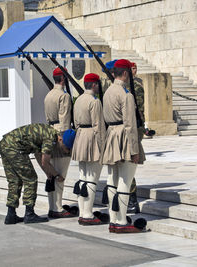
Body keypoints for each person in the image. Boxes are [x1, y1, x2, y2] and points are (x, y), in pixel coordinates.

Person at [101, 59, 146, 233]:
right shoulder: (126, 94)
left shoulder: (107, 92)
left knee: (112, 180)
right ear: (126, 73)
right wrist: (134, 150)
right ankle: (121, 220)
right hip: (124, 137)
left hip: (111, 135)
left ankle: (113, 219)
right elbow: (130, 124)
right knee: (125, 181)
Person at [0, 123, 76, 224]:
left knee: (14, 180)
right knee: (31, 179)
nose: (66, 150)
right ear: (60, 139)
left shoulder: (49, 133)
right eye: (66, 147)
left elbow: (38, 154)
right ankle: (29, 214)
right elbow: (45, 162)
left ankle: (11, 215)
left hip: (5, 144)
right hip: (15, 149)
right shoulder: (50, 139)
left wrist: (47, 172)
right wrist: (56, 175)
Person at [72, 73, 107, 225]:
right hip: (92, 138)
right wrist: (103, 146)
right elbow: (99, 126)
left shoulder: (78, 99)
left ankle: (82, 211)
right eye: (98, 84)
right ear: (94, 85)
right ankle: (87, 214)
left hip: (80, 138)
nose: (99, 87)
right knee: (92, 179)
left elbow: (75, 121)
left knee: (83, 178)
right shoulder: (95, 101)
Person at [44, 67, 75, 218]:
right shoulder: (64, 96)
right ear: (63, 79)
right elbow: (64, 120)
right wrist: (64, 141)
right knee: (60, 174)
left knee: (52, 173)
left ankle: (52, 206)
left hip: (49, 134)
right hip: (60, 136)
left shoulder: (49, 95)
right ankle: (57, 208)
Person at [126, 62, 147, 214]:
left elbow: (138, 108)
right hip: (128, 127)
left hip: (133, 127)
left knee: (129, 163)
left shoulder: (136, 86)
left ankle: (132, 199)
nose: (135, 71)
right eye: (132, 68)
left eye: (135, 68)